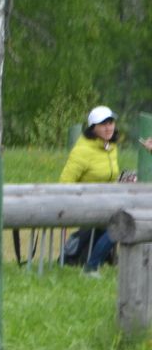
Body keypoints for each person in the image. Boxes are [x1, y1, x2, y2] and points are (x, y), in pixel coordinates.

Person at [61, 106, 130, 273]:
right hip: (85, 204)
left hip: (106, 202)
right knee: (122, 225)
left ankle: (96, 260)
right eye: (103, 124)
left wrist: (121, 180)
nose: (109, 128)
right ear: (93, 128)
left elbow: (108, 177)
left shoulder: (111, 148)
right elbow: (65, 182)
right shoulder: (82, 151)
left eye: (111, 123)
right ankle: (91, 267)